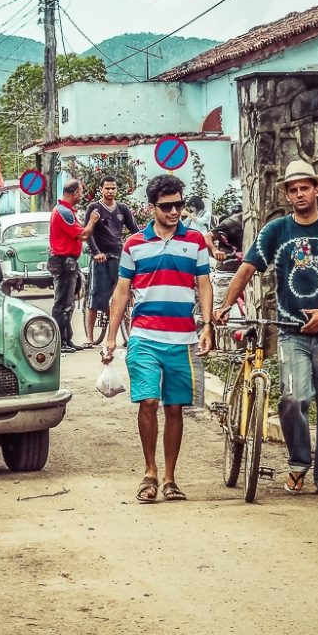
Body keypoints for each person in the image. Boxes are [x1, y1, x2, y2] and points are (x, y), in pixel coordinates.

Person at [215, 160, 318, 495]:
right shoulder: (276, 230)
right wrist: (224, 305)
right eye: (292, 189)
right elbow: (247, 269)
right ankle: (298, 464)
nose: (299, 194)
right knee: (293, 399)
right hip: (291, 331)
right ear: (286, 194)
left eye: (304, 188)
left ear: (317, 189)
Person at [101, 174, 213, 504]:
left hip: (182, 339)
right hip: (144, 337)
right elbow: (121, 292)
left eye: (179, 204)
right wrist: (110, 338)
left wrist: (207, 325)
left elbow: (203, 284)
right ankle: (149, 471)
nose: (175, 211)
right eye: (167, 206)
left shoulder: (195, 241)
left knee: (175, 408)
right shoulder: (134, 244)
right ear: (152, 208)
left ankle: (170, 478)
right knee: (148, 402)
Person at [83, 175, 138, 345]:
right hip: (100, 258)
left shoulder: (123, 209)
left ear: (117, 189)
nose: (110, 191)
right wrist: (96, 252)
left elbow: (134, 230)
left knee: (125, 295)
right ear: (101, 189)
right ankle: (89, 337)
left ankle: (129, 334)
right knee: (95, 297)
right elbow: (88, 233)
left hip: (119, 256)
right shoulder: (94, 208)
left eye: (113, 188)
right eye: (107, 188)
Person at [49, 179, 100, 353]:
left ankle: (66, 339)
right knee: (62, 304)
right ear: (74, 193)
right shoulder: (64, 212)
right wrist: (92, 220)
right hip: (64, 262)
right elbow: (83, 235)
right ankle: (59, 342)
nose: (81, 195)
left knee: (68, 304)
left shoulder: (65, 211)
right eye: (80, 191)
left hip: (67, 261)